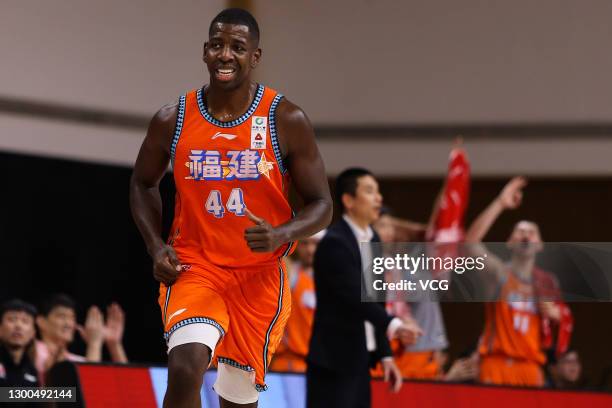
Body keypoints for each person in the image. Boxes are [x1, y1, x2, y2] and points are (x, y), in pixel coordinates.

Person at [129, 8, 332, 408]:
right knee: (187, 366)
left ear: (255, 56)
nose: (226, 55)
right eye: (218, 45)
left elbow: (323, 204)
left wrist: (282, 232)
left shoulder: (285, 119)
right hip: (196, 265)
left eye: (238, 47)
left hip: (258, 278)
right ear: (205, 52)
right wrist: (155, 245)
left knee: (237, 401)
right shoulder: (174, 118)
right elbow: (142, 182)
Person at [307, 168, 421, 408]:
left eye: (378, 192)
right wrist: (394, 324)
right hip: (333, 362)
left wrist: (385, 355)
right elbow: (354, 297)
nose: (378, 198)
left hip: (360, 359)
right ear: (348, 200)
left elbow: (376, 299)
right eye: (369, 191)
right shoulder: (334, 243)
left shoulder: (374, 240)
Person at [465, 177, 572, 387]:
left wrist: (555, 314)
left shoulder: (546, 283)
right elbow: (470, 244)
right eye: (520, 231)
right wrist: (500, 204)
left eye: (531, 232)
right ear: (510, 243)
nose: (525, 235)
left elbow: (561, 320)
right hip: (496, 364)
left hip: (530, 367)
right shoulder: (498, 273)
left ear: (539, 245)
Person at [35, 294, 128, 382]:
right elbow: (69, 394)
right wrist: (94, 344)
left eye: (72, 318)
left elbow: (129, 386)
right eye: (61, 317)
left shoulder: (80, 361)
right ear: (41, 322)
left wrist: (114, 345)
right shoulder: (32, 350)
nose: (69, 323)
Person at [269, 230, 324, 373]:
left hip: (323, 364)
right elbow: (275, 252)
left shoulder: (335, 279)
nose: (310, 250)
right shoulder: (290, 273)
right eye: (305, 244)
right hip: (290, 364)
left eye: (316, 244)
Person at [0, 299, 39, 387]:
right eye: (12, 319)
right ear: (0, 329)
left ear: (33, 333)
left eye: (25, 321)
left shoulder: (32, 371)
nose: (18, 325)